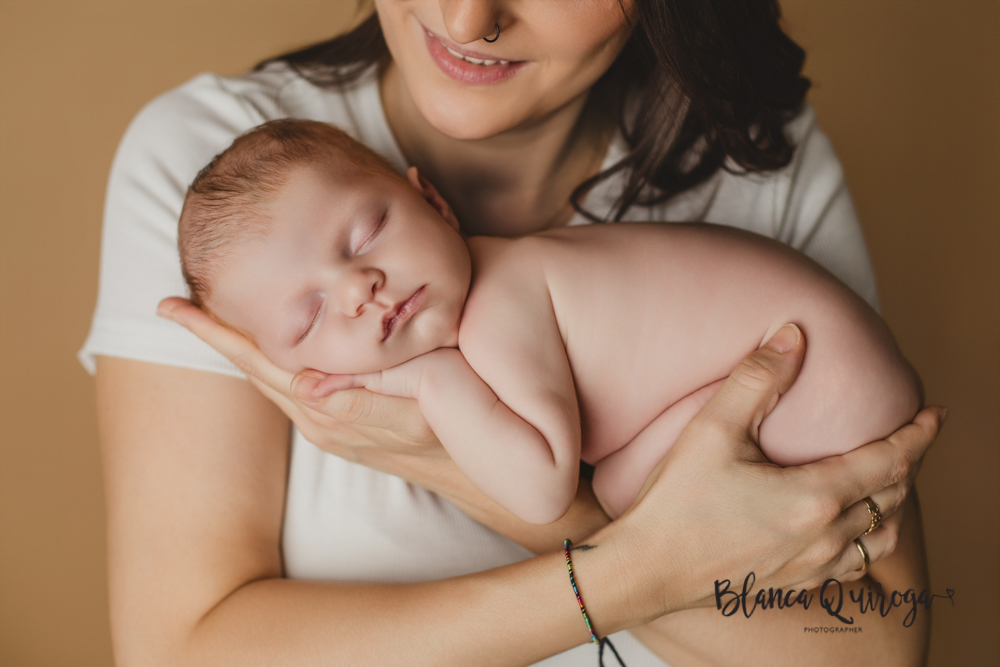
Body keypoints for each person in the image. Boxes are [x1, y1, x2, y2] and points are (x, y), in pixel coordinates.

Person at [83, 2, 944, 665]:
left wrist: (427, 442)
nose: (467, 20)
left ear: (429, 200)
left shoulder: (763, 163)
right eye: (307, 319)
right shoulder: (215, 193)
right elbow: (183, 650)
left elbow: (874, 646)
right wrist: (655, 564)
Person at [177, 118, 921, 523]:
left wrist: (434, 381)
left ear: (432, 202)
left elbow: (541, 493)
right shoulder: (509, 276)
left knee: (625, 503)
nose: (358, 288)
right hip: (825, 361)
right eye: (309, 316)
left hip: (819, 372)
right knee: (636, 493)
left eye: (366, 234)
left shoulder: (502, 301)